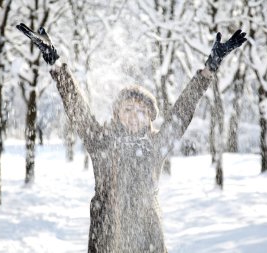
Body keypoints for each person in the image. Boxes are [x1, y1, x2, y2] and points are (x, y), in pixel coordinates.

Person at [16, 23, 246, 253]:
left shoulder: (156, 144)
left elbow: (182, 111)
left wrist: (209, 69)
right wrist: (56, 66)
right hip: (106, 240)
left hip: (149, 240)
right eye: (127, 109)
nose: (134, 116)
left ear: (149, 117)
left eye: (140, 111)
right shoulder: (101, 142)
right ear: (117, 114)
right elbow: (78, 109)